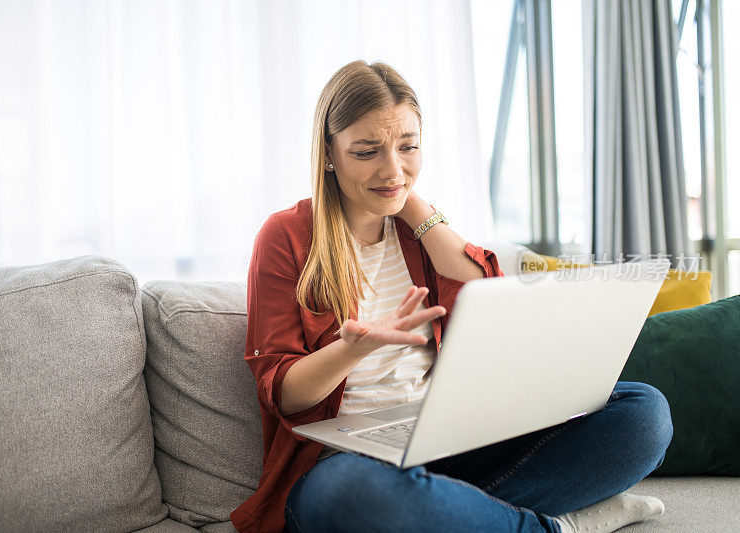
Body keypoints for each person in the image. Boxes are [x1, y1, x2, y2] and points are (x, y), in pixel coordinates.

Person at [230, 60, 673, 533]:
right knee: (346, 496)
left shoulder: (415, 231)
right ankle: (555, 527)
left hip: (443, 441)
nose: (391, 168)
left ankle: (455, 516)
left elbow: (487, 297)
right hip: (343, 461)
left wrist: (408, 199)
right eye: (367, 152)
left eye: (408, 147)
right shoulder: (287, 236)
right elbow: (283, 394)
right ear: (328, 153)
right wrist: (354, 349)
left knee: (643, 413)